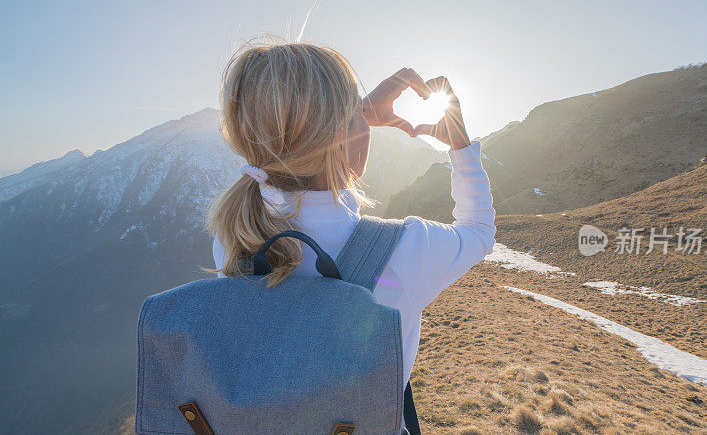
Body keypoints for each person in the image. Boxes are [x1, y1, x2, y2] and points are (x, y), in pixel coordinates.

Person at [208, 39, 496, 396]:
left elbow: (301, 141)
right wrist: (460, 144)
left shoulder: (235, 235)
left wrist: (352, 116)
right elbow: (479, 231)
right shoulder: (406, 250)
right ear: (340, 135)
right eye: (355, 113)